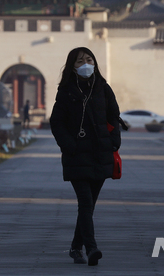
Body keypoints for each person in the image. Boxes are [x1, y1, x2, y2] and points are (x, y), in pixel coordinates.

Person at [50, 47, 122, 267]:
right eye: (80, 61)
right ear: (72, 66)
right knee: (85, 203)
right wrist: (69, 145)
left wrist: (114, 142)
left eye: (89, 59)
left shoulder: (103, 88)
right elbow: (56, 122)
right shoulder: (66, 91)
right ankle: (91, 249)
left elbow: (114, 115)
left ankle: (75, 247)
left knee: (89, 207)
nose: (86, 64)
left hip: (101, 154)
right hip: (76, 156)